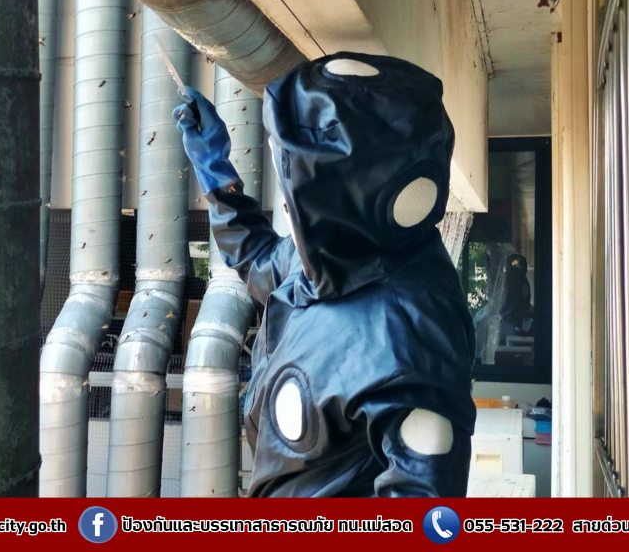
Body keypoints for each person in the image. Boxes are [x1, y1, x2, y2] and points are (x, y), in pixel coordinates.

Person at [173, 52, 475, 497]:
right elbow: (259, 259)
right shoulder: (332, 256)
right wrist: (217, 175)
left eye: (292, 174)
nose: (286, 192)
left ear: (336, 194)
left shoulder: (411, 329)